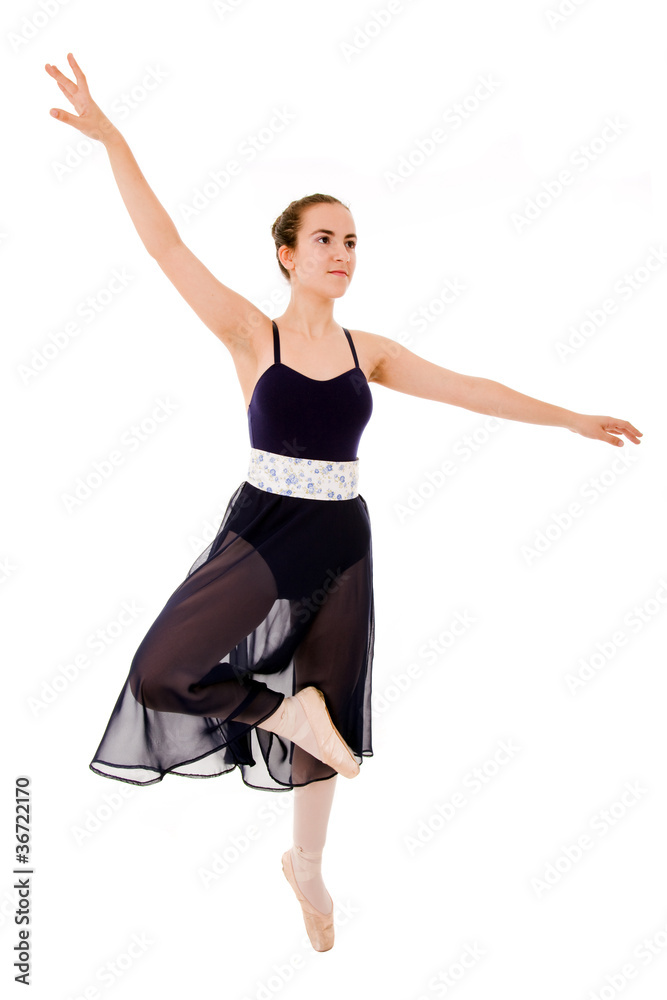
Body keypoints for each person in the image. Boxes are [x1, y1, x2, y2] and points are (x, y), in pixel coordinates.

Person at [45, 52, 643, 953]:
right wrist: (114, 140)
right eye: (325, 239)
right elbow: (166, 246)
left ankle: (308, 868)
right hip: (264, 529)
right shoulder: (254, 332)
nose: (342, 254)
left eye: (353, 241)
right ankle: (279, 714)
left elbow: (473, 388)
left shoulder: (371, 350)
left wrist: (568, 419)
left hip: (339, 537)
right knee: (164, 670)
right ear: (287, 254)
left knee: (334, 706)